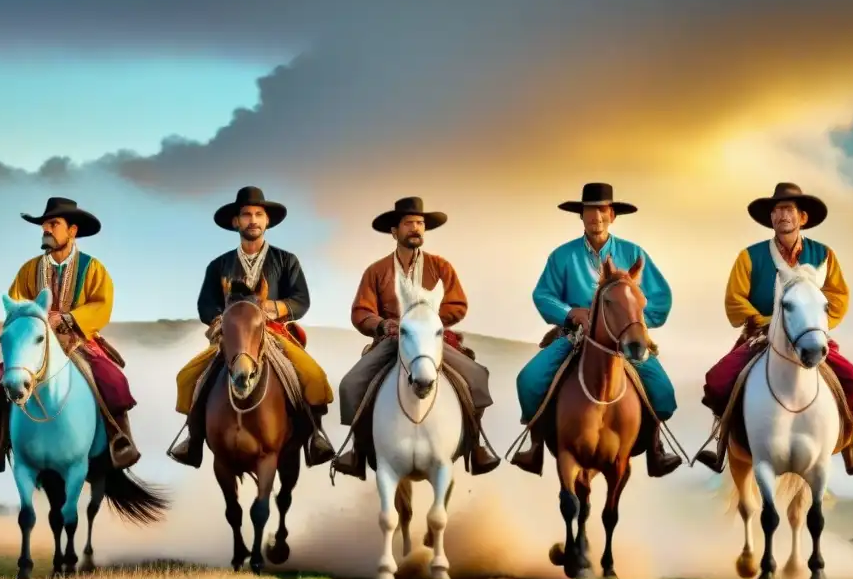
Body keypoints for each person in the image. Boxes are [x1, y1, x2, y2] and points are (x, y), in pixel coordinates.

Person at [694, 182, 853, 475]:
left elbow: (838, 296)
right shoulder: (749, 256)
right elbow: (735, 299)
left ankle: (851, 445)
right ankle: (720, 441)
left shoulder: (824, 255)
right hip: (759, 336)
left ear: (802, 217)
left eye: (788, 210)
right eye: (776, 211)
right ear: (771, 219)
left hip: (807, 335)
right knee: (718, 380)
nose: (782, 216)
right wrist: (764, 322)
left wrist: (813, 324)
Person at [510, 182, 682, 477]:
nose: (596, 218)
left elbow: (660, 298)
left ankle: (656, 448)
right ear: (581, 216)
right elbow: (543, 295)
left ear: (612, 215)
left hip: (625, 341)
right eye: (589, 211)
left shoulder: (633, 252)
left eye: (602, 211)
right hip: (574, 338)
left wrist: (634, 324)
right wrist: (570, 313)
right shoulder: (562, 256)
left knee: (663, 391)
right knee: (529, 379)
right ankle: (535, 444)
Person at [331, 196, 501, 480]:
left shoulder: (440, 267)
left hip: (432, 341)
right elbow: (361, 311)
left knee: (477, 376)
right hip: (391, 342)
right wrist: (383, 324)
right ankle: (357, 451)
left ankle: (475, 445)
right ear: (394, 231)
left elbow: (458, 304)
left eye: (420, 223)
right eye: (409, 223)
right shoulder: (377, 271)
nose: (416, 228)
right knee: (350, 385)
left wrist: (430, 321)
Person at [167, 186, 336, 469]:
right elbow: (205, 305)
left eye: (259, 214)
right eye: (246, 215)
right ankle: (193, 439)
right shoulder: (218, 265)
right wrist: (220, 320)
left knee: (314, 375)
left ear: (267, 222)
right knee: (187, 377)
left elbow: (301, 300)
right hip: (231, 338)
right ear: (236, 222)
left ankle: (314, 437)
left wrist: (271, 308)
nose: (253, 220)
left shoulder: (286, 260)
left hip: (274, 335)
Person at [0, 197, 140, 472]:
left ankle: (120, 439)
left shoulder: (93, 268)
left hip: (78, 340)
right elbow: (16, 305)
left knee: (112, 378)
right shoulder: (29, 270)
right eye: (44, 225)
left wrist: (67, 318)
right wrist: (33, 322)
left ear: (72, 231)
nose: (46, 230)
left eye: (53, 224)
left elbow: (102, 303)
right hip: (37, 345)